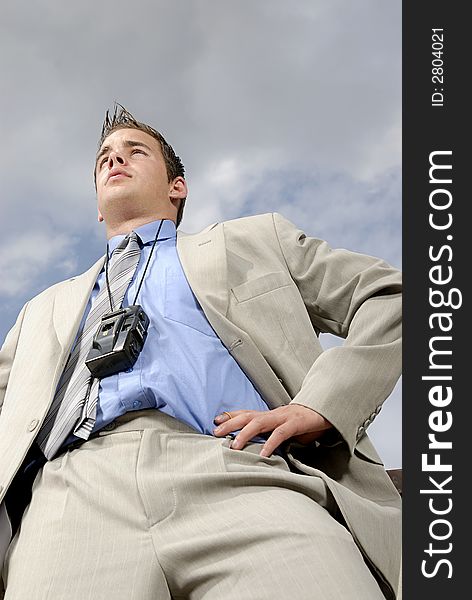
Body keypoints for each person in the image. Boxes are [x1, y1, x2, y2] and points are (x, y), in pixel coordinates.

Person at [0, 105, 402, 600]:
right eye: (104, 157)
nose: (114, 161)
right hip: (69, 500)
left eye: (135, 151)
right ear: (98, 208)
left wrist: (322, 404)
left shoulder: (254, 240)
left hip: (243, 468)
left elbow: (390, 295)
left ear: (178, 187)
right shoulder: (40, 310)